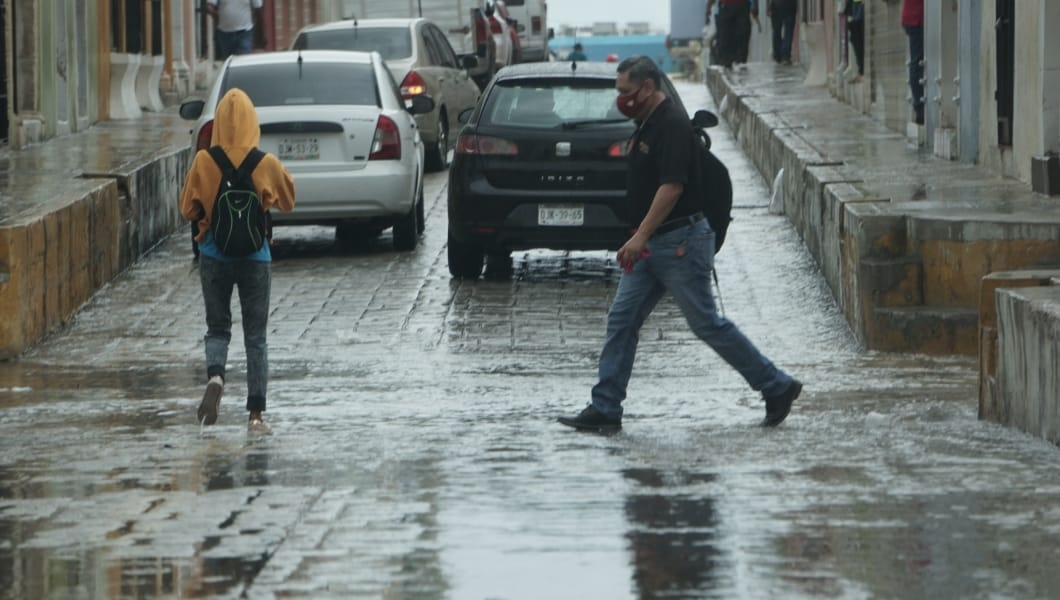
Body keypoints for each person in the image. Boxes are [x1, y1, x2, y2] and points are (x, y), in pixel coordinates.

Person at [557, 56, 802, 432]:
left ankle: (776, 385)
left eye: (625, 91)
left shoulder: (671, 125)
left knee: (706, 323)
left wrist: (639, 236)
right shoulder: (648, 123)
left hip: (680, 243)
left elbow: (672, 188)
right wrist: (638, 236)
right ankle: (605, 409)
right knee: (621, 322)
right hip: (651, 245)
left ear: (648, 87)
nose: (620, 99)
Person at [179, 88, 295, 430]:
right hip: (256, 257)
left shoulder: (204, 161)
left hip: (214, 254)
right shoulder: (265, 162)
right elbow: (289, 199)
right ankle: (256, 415)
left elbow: (186, 208)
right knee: (256, 337)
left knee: (217, 328)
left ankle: (216, 377)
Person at [706, 0, 752, 70]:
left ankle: (740, 62)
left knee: (742, 36)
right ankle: (727, 63)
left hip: (742, 5)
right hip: (726, 6)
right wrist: (708, 8)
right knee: (725, 38)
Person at [902, 0, 925, 124]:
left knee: (916, 62)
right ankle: (919, 108)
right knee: (917, 63)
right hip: (916, 18)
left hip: (912, 17)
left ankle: (919, 107)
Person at [768, 0, 798, 65]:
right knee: (788, 30)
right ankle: (785, 55)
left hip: (776, 5)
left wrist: (768, 6)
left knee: (777, 30)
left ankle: (778, 55)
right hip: (790, 4)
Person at [843, 0, 865, 82]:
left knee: (858, 38)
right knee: (854, 38)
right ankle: (861, 70)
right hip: (855, 4)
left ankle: (862, 71)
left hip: (860, 4)